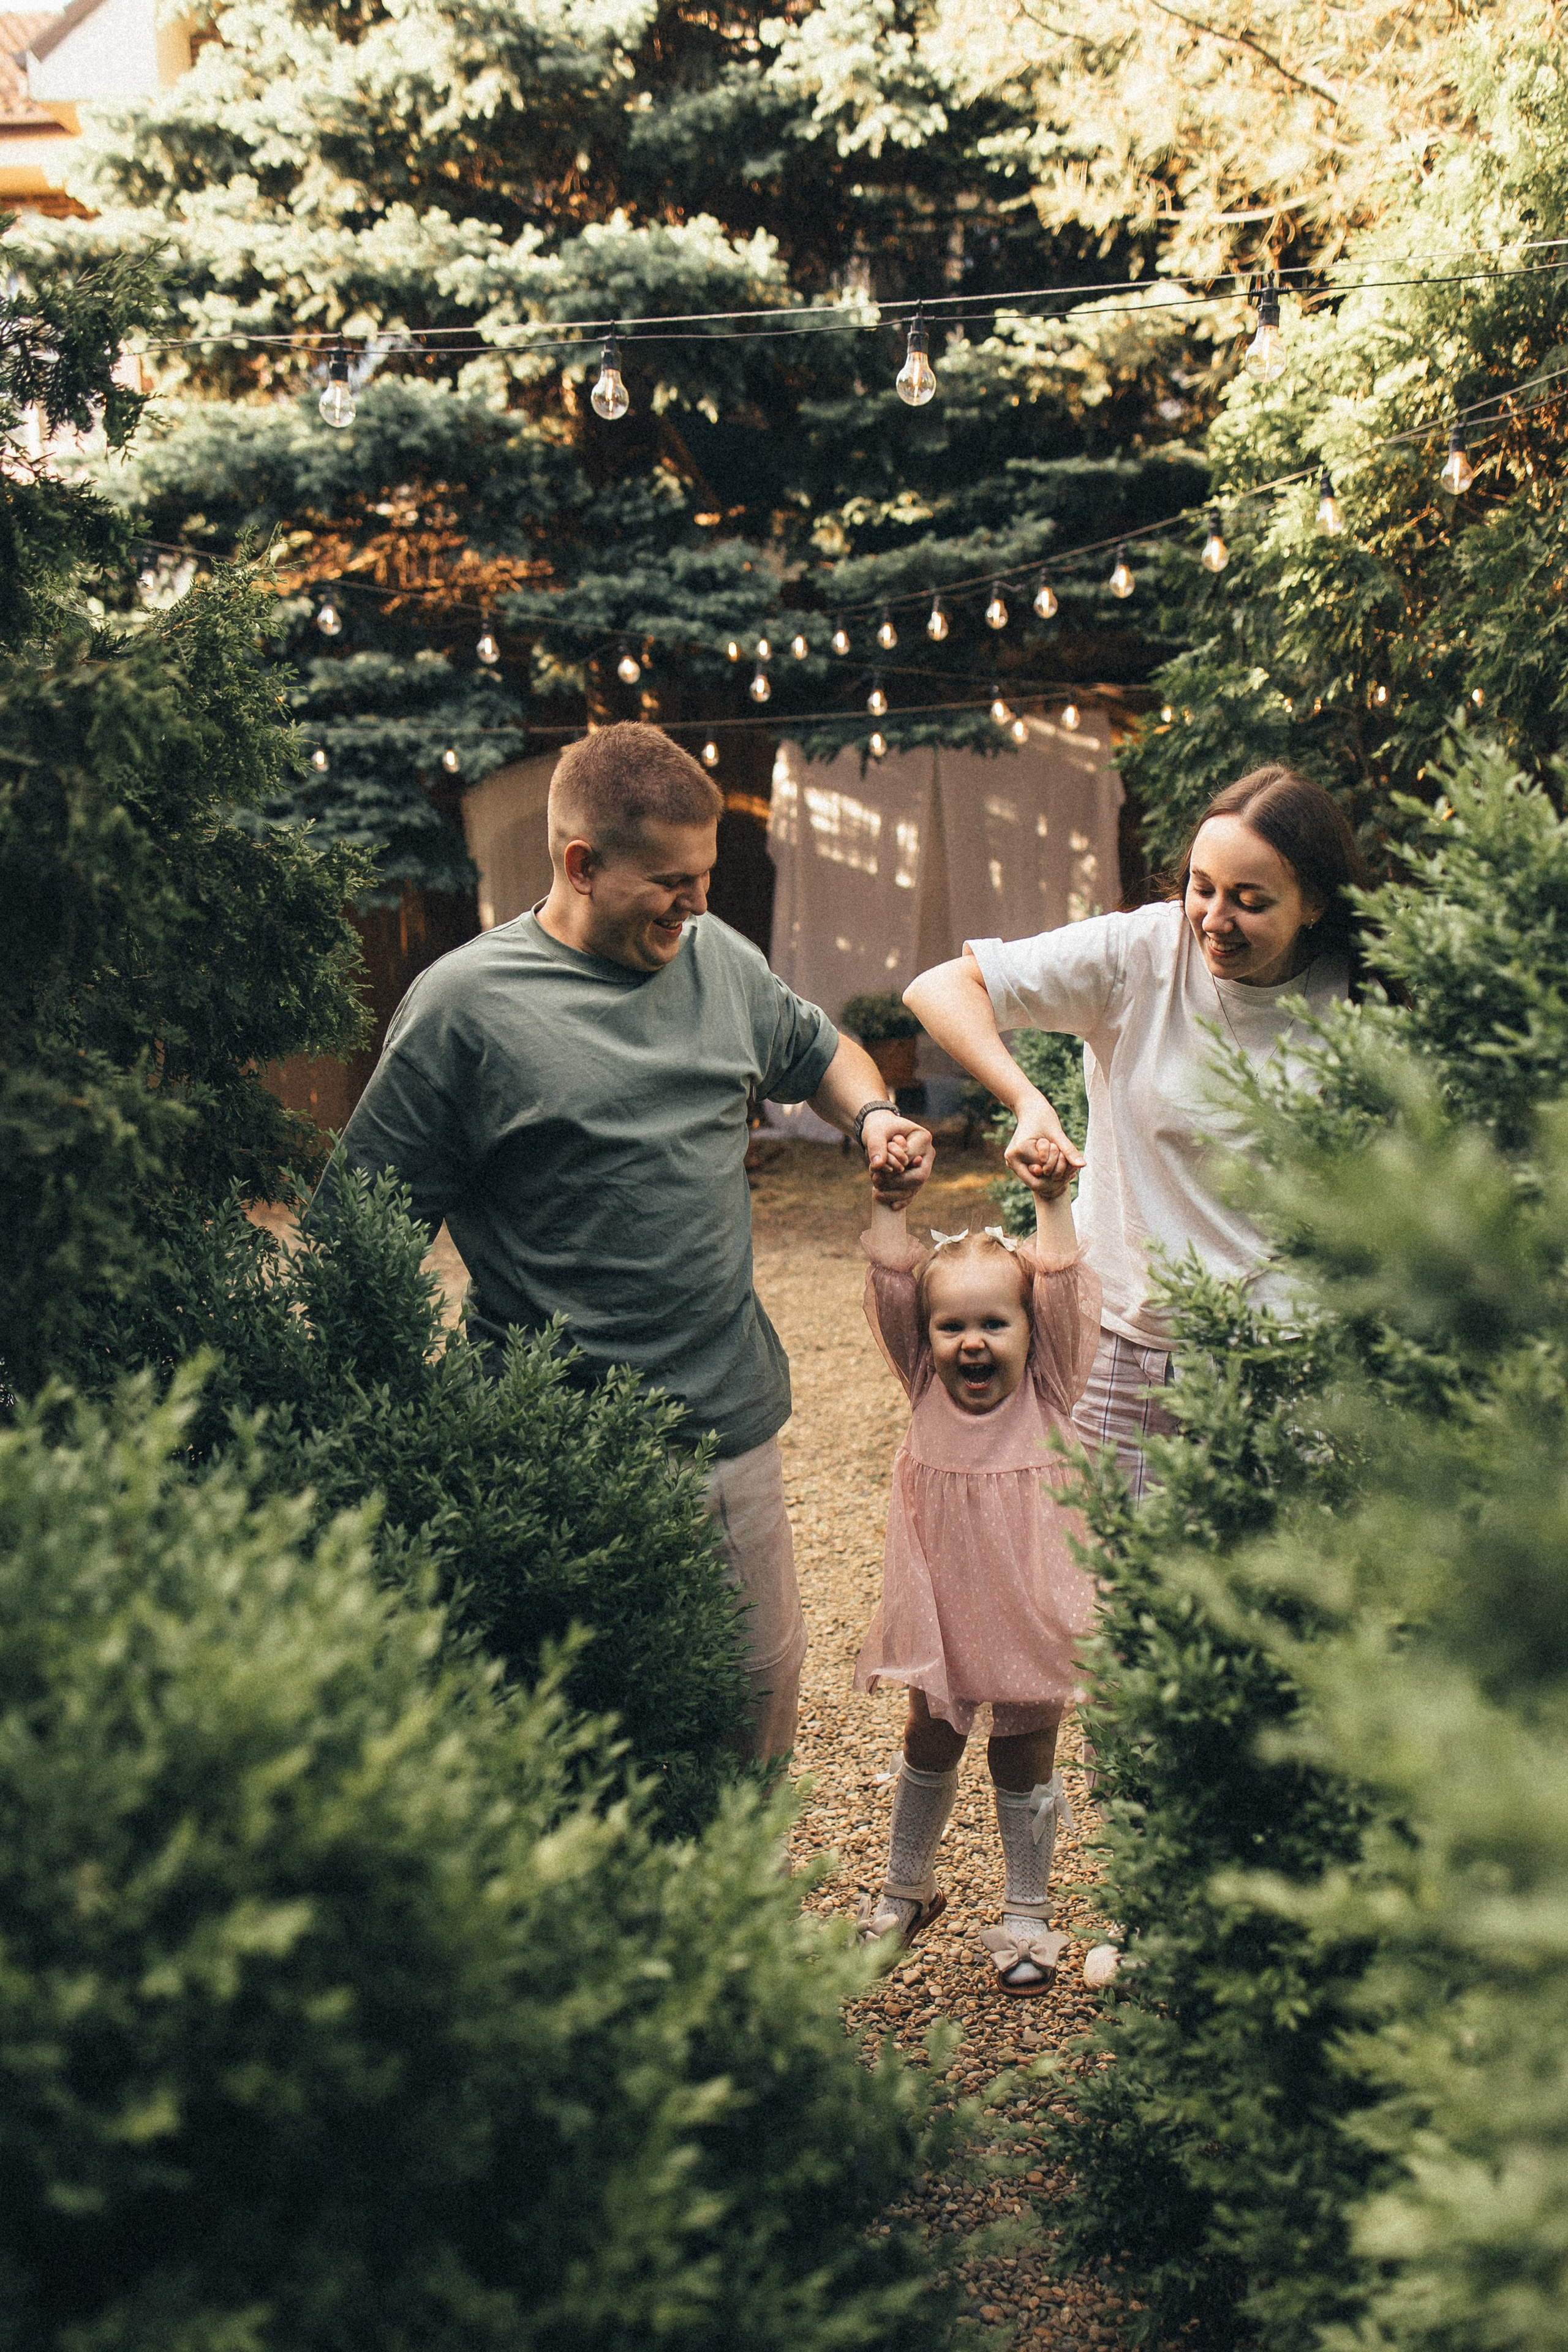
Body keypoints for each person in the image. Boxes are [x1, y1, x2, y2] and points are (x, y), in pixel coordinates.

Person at [318, 722, 933, 1760]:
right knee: (576, 1735)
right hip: (553, 1454)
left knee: (753, 1707)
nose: (697, 903)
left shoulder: (720, 964)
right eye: (671, 882)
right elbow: (359, 1244)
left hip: (726, 1430)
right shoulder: (466, 1009)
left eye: (706, 876)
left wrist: (871, 1118)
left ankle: (734, 1912)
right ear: (579, 864)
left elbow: (824, 1051)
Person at [905, 765, 1367, 1499]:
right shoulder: (1141, 953)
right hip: (1123, 1342)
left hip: (1280, 1356)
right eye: (1202, 886)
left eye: (1250, 901)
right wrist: (1028, 1102)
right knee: (1102, 1584)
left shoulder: (1360, 998)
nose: (1214, 918)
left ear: (1313, 903)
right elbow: (939, 987)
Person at [852, 1138, 1102, 1996]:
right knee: (931, 1733)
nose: (970, 1342)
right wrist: (891, 1206)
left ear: (1031, 1335)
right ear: (926, 1340)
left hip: (1033, 1604)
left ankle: (1027, 1911)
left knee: (1023, 1747)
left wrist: (1053, 1202)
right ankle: (904, 1886)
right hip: (945, 1602)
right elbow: (891, 1288)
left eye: (994, 1323)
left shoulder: (1051, 1382)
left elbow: (1064, 1285)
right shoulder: (920, 1377)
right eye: (951, 1325)